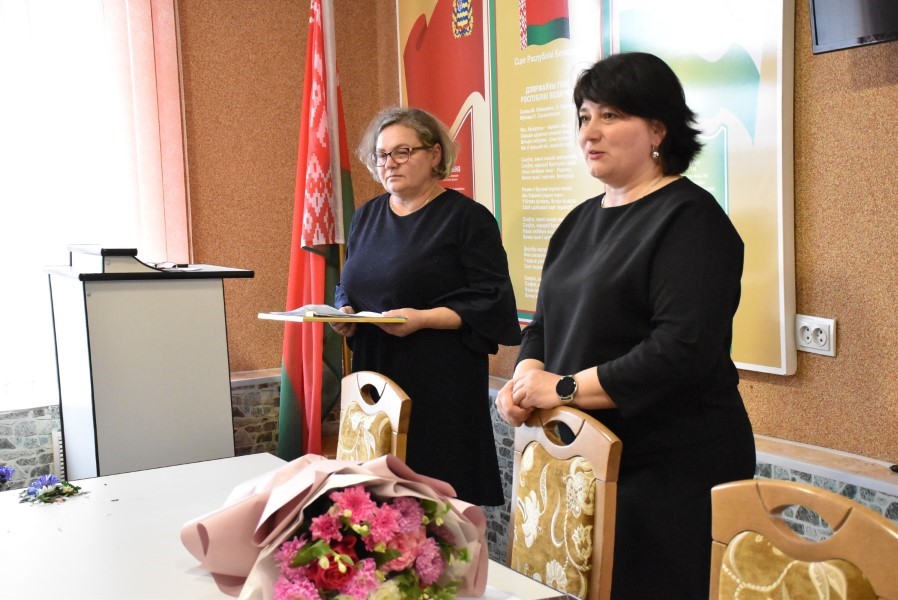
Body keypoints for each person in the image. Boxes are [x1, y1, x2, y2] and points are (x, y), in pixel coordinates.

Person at [495, 52, 755, 599]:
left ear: (658, 128)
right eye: (584, 116)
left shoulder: (691, 219)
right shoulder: (578, 221)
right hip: (581, 457)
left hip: (668, 467)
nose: (590, 132)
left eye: (610, 115)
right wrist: (523, 380)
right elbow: (544, 323)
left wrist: (562, 388)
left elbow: (679, 350)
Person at [333, 106, 521, 506]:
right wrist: (344, 311)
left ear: (435, 154)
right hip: (375, 375)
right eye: (381, 155)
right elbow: (349, 283)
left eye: (402, 152)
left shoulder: (467, 218)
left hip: (439, 384)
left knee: (436, 507)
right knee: (375, 509)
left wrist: (422, 319)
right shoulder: (366, 216)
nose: (389, 163)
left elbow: (492, 299)